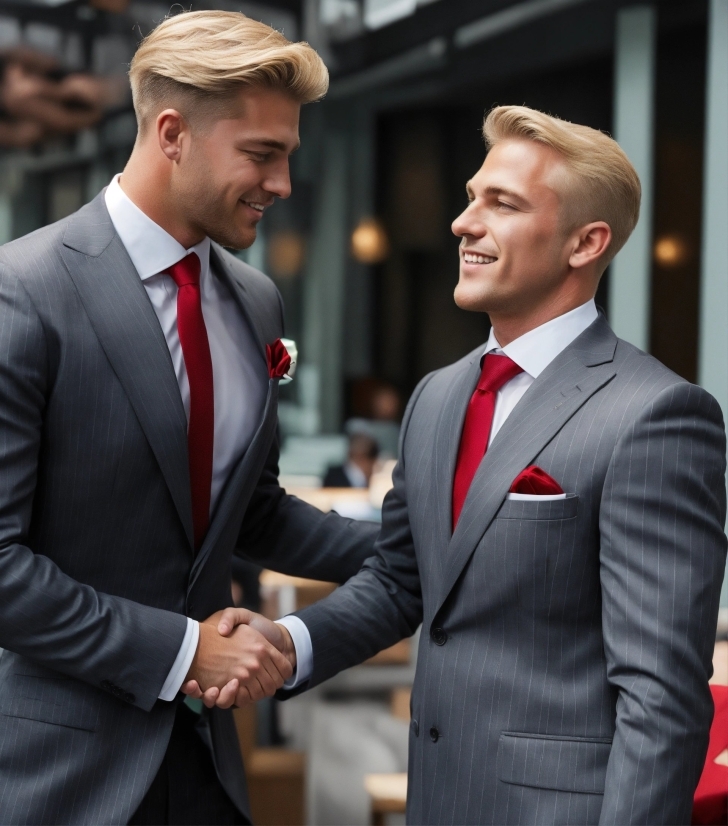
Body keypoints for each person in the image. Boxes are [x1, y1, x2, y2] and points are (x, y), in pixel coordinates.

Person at [194, 106, 728, 825]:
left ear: (586, 243)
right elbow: (402, 580)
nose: (462, 222)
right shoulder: (439, 395)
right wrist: (288, 644)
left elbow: (661, 696)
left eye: (501, 204)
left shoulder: (656, 416)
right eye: (472, 196)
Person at [0, 12, 378, 826]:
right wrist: (181, 652)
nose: (281, 184)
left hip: (208, 768)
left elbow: (255, 512)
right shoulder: (22, 293)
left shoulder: (254, 299)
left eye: (288, 156)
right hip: (58, 778)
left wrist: (427, 548)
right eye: (261, 153)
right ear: (171, 132)